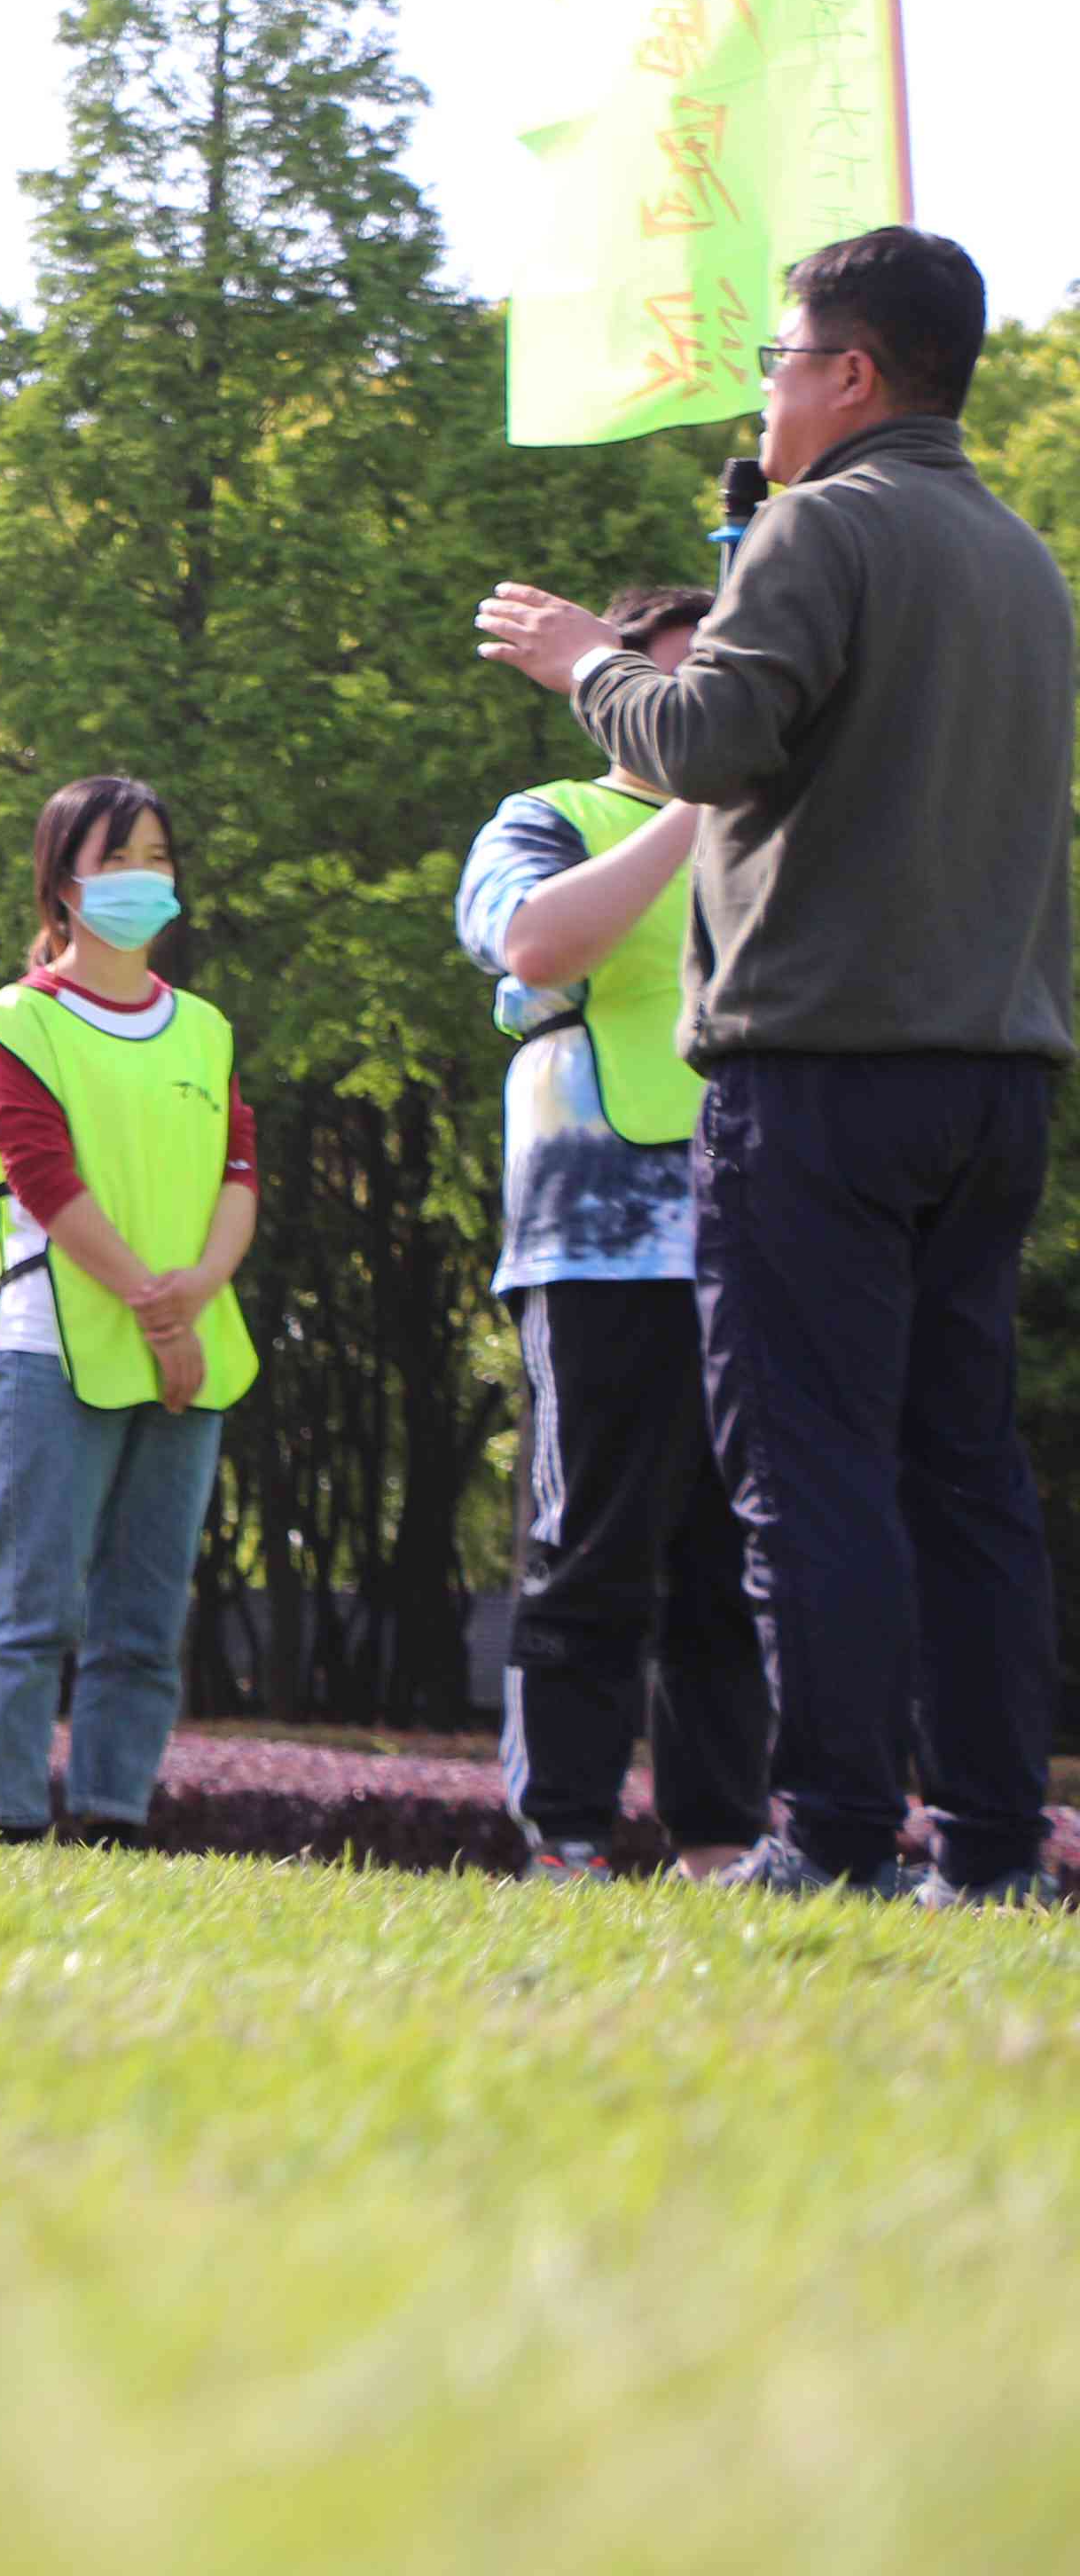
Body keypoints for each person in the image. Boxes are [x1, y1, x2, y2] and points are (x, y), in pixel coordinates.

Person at [477, 225, 1073, 1905]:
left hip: (815, 1071)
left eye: (780, 358)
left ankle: (819, 1834)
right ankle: (980, 1840)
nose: (767, 387)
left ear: (851, 374)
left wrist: (579, 659)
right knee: (959, 1472)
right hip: (992, 1071)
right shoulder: (1017, 560)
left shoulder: (824, 527)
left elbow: (707, 740)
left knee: (800, 1463)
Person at [450, 591, 768, 1881]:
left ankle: (721, 1838)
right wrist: (698, 801)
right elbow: (532, 941)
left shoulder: (786, 828)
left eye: (722, 687)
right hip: (598, 1238)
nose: (699, 708)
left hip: (760, 1230)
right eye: (676, 684)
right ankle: (568, 1830)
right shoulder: (550, 816)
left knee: (736, 1556)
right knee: (591, 1540)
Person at [0, 778, 259, 1845]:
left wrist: (199, 1293)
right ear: (62, 879)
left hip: (189, 1348)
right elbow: (41, 1177)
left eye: (158, 856)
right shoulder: (21, 1019)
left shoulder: (206, 1027)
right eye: (116, 856)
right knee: (33, 1610)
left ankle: (115, 1818)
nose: (142, 877)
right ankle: (10, 1821)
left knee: (145, 1618)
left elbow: (238, 1173)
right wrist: (154, 1305)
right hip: (54, 1351)